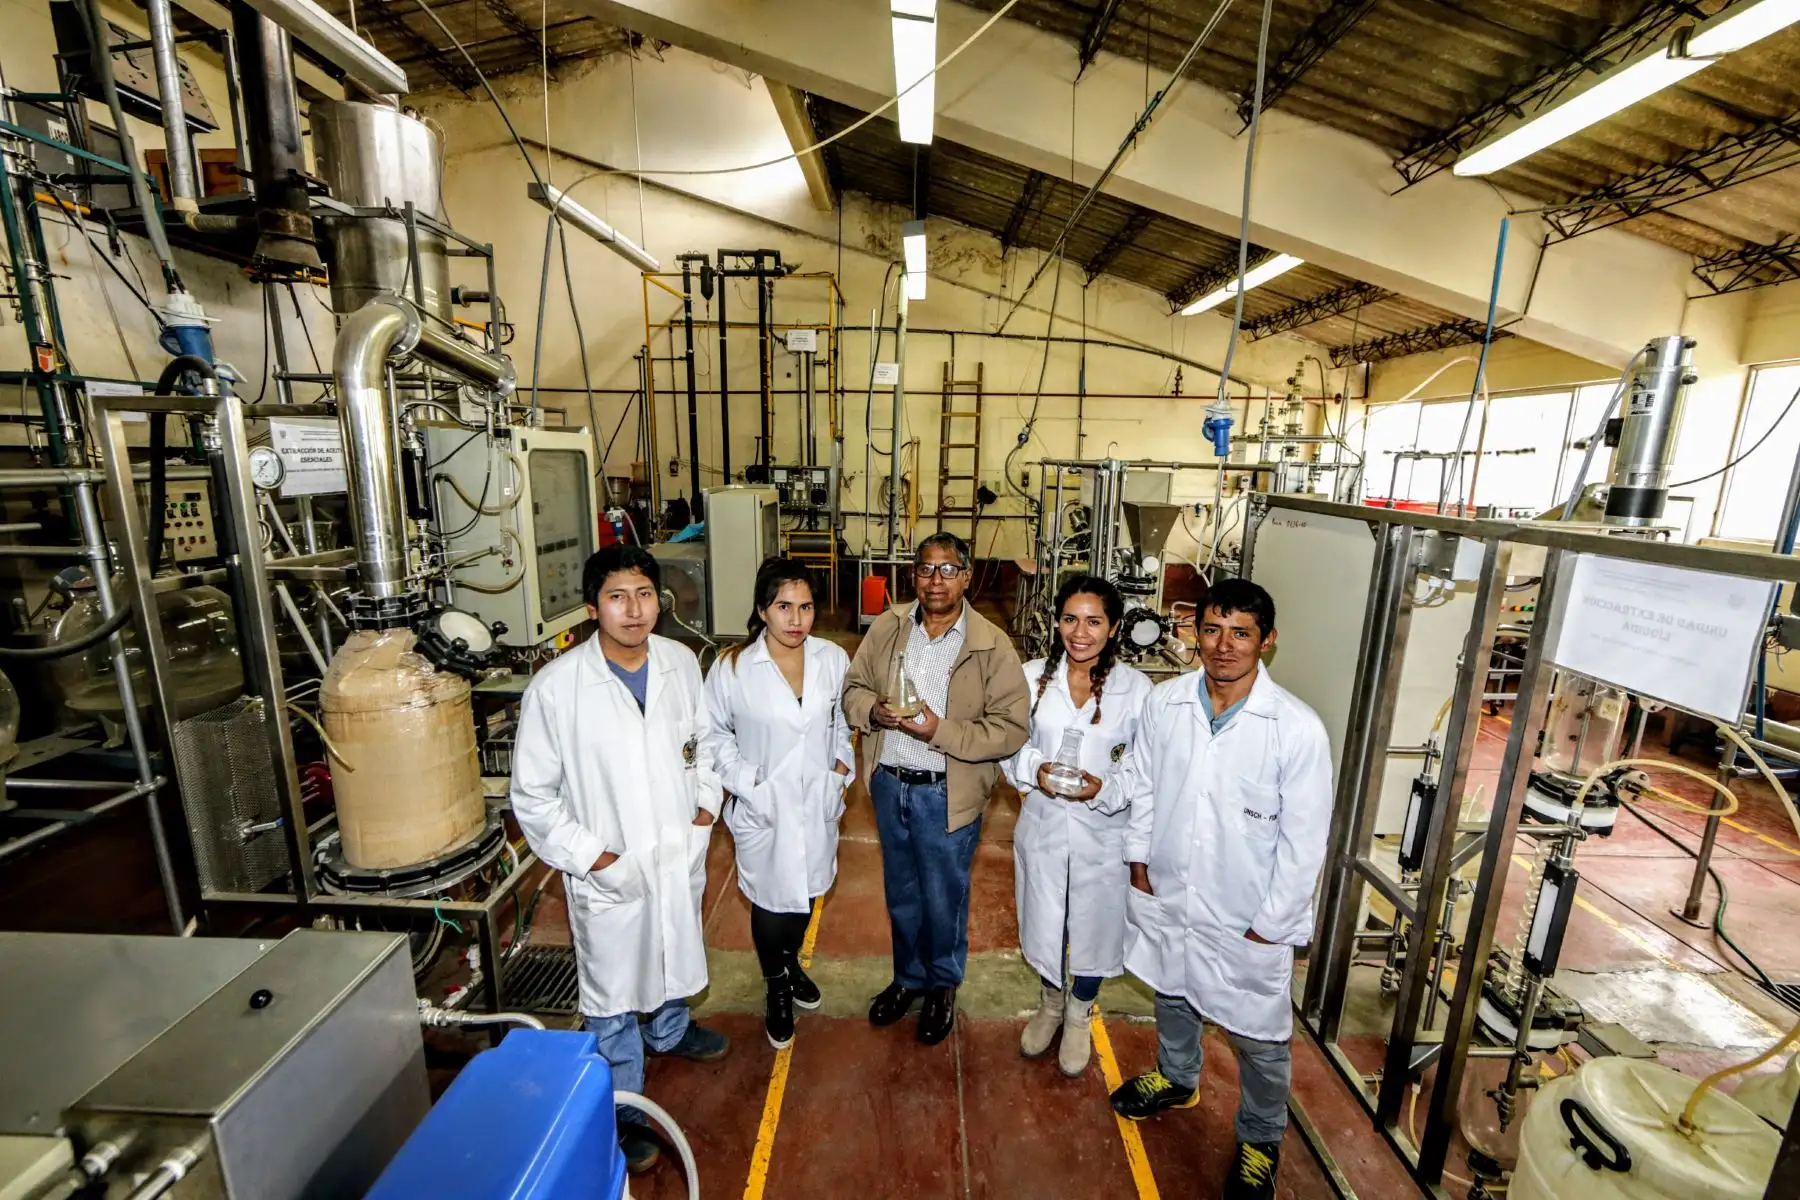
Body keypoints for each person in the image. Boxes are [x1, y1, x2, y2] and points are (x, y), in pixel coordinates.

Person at [511, 544, 731, 1177]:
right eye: (617, 597)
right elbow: (532, 795)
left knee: (672, 945)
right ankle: (625, 1099)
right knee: (610, 989)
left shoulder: (681, 663)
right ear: (591, 608)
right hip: (608, 866)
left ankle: (669, 1029)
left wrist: (704, 806)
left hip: (675, 846)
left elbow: (706, 745)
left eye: (643, 595)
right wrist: (593, 855)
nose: (634, 611)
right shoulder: (557, 688)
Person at [1109, 578, 1332, 1200]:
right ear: (1195, 633)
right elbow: (1147, 785)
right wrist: (1138, 859)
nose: (1224, 645)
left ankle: (1260, 1139)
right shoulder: (1167, 702)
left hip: (1248, 910)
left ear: (1268, 642)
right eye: (1212, 630)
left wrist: (1273, 923)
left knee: (1260, 1038)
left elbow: (1305, 840)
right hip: (1172, 884)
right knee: (1171, 989)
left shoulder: (1296, 728)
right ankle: (1177, 1078)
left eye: (1241, 633)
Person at [842, 531, 1029, 1045]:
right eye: (926, 569)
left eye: (948, 569)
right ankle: (908, 978)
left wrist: (938, 731)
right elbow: (852, 689)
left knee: (943, 896)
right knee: (901, 893)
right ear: (913, 576)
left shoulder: (991, 644)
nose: (936, 580)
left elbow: (1012, 728)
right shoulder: (888, 627)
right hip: (889, 784)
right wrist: (871, 712)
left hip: (947, 792)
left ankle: (943, 984)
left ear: (967, 576)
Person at [702, 557, 854, 1050]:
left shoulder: (833, 659)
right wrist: (749, 782)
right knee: (770, 901)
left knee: (808, 889)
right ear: (762, 610)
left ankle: (789, 964)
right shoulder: (733, 668)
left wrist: (839, 771)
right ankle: (776, 988)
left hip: (817, 800)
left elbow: (844, 726)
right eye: (784, 606)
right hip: (763, 805)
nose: (796, 619)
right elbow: (712, 735)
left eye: (806, 607)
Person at [1006, 575, 1153, 1078]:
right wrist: (1035, 772)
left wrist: (1104, 790)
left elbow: (1143, 767)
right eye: (1070, 619)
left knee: (1093, 923)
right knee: (1047, 918)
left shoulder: (1136, 690)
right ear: (1056, 622)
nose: (1080, 632)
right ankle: (1050, 1002)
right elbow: (1009, 745)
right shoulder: (1028, 678)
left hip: (1102, 831)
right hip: (1043, 824)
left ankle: (1078, 1011)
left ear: (1113, 628)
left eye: (1094, 621)